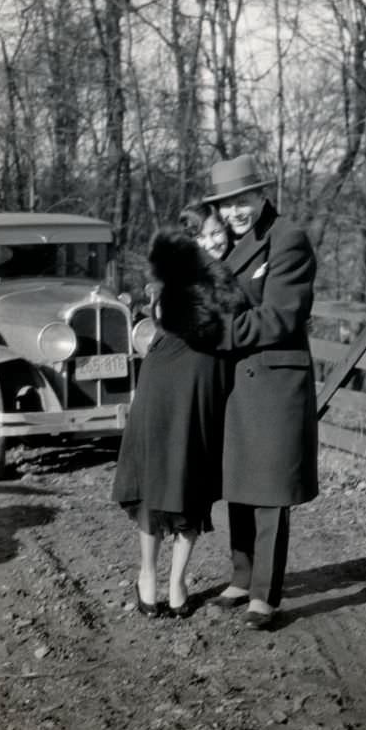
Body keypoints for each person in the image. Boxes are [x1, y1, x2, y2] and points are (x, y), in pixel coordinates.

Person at [112, 202, 245, 619]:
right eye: (204, 235)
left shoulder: (234, 272)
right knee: (156, 483)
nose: (214, 240)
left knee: (193, 484)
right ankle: (147, 575)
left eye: (218, 231)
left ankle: (178, 580)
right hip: (166, 386)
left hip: (207, 390)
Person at [204, 154, 318, 630]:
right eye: (227, 205)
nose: (235, 212)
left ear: (262, 195)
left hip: (274, 382)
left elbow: (281, 317)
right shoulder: (227, 247)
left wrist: (214, 330)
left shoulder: (287, 238)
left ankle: (265, 596)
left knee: (269, 490)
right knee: (239, 485)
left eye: (243, 201)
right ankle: (242, 575)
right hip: (235, 382)